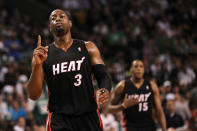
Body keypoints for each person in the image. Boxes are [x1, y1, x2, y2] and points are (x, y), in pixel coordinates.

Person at [26, 9, 112, 131]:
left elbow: (103, 75)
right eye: (53, 18)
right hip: (60, 119)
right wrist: (37, 66)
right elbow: (33, 95)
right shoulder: (42, 55)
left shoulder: (88, 47)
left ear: (70, 23)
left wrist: (105, 89)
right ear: (50, 27)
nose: (58, 19)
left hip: (88, 116)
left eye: (62, 16)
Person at [107, 60, 166, 131]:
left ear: (144, 70)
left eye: (141, 66)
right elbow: (109, 109)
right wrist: (123, 106)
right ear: (131, 69)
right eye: (136, 66)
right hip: (130, 127)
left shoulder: (152, 85)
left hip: (149, 126)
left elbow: (159, 110)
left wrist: (164, 129)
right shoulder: (122, 85)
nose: (138, 69)